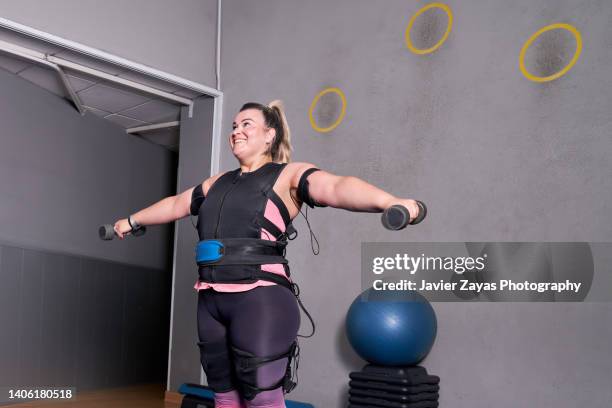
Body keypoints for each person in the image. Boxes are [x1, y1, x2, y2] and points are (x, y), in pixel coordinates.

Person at [113, 100, 422, 408]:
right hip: (210, 302)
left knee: (261, 399)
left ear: (269, 135)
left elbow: (338, 187)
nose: (236, 131)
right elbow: (175, 204)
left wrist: (391, 202)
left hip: (260, 300)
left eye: (246, 124)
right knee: (224, 396)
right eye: (234, 126)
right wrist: (132, 220)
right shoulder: (216, 183)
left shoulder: (287, 175)